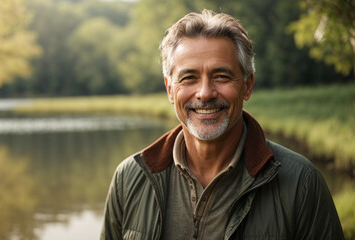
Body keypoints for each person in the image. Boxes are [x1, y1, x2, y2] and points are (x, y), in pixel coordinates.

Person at [101, 9, 344, 240]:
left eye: (221, 76)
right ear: (170, 90)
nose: (205, 93)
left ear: (247, 85)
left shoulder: (302, 183)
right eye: (189, 78)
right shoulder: (129, 178)